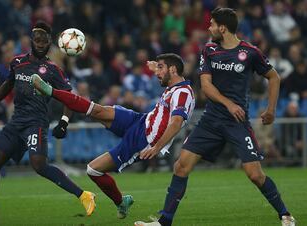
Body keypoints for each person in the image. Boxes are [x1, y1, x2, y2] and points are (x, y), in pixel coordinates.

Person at [134, 8, 295, 226]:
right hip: (211, 120)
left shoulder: (250, 52)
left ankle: (285, 215)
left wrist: (271, 110)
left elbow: (273, 77)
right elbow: (206, 87)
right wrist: (229, 104)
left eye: (211, 24)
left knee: (255, 175)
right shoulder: (209, 50)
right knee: (181, 166)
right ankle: (164, 222)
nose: (208, 28)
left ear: (223, 28)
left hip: (236, 122)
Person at [31, 53, 195, 219]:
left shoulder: (183, 93)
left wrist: (157, 147)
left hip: (143, 141)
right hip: (141, 120)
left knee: (93, 169)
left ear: (173, 70)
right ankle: (50, 91)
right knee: (98, 110)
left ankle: (120, 202)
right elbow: (166, 82)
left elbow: (176, 122)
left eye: (161, 68)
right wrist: (156, 68)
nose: (157, 72)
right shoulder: (174, 85)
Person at [0, 21, 96, 226]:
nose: (41, 43)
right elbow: (8, 83)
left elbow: (68, 97)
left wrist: (64, 122)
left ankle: (84, 195)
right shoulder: (17, 62)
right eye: (37, 39)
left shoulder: (53, 70)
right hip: (16, 122)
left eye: (44, 40)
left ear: (50, 42)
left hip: (37, 123)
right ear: (31, 40)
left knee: (39, 165)